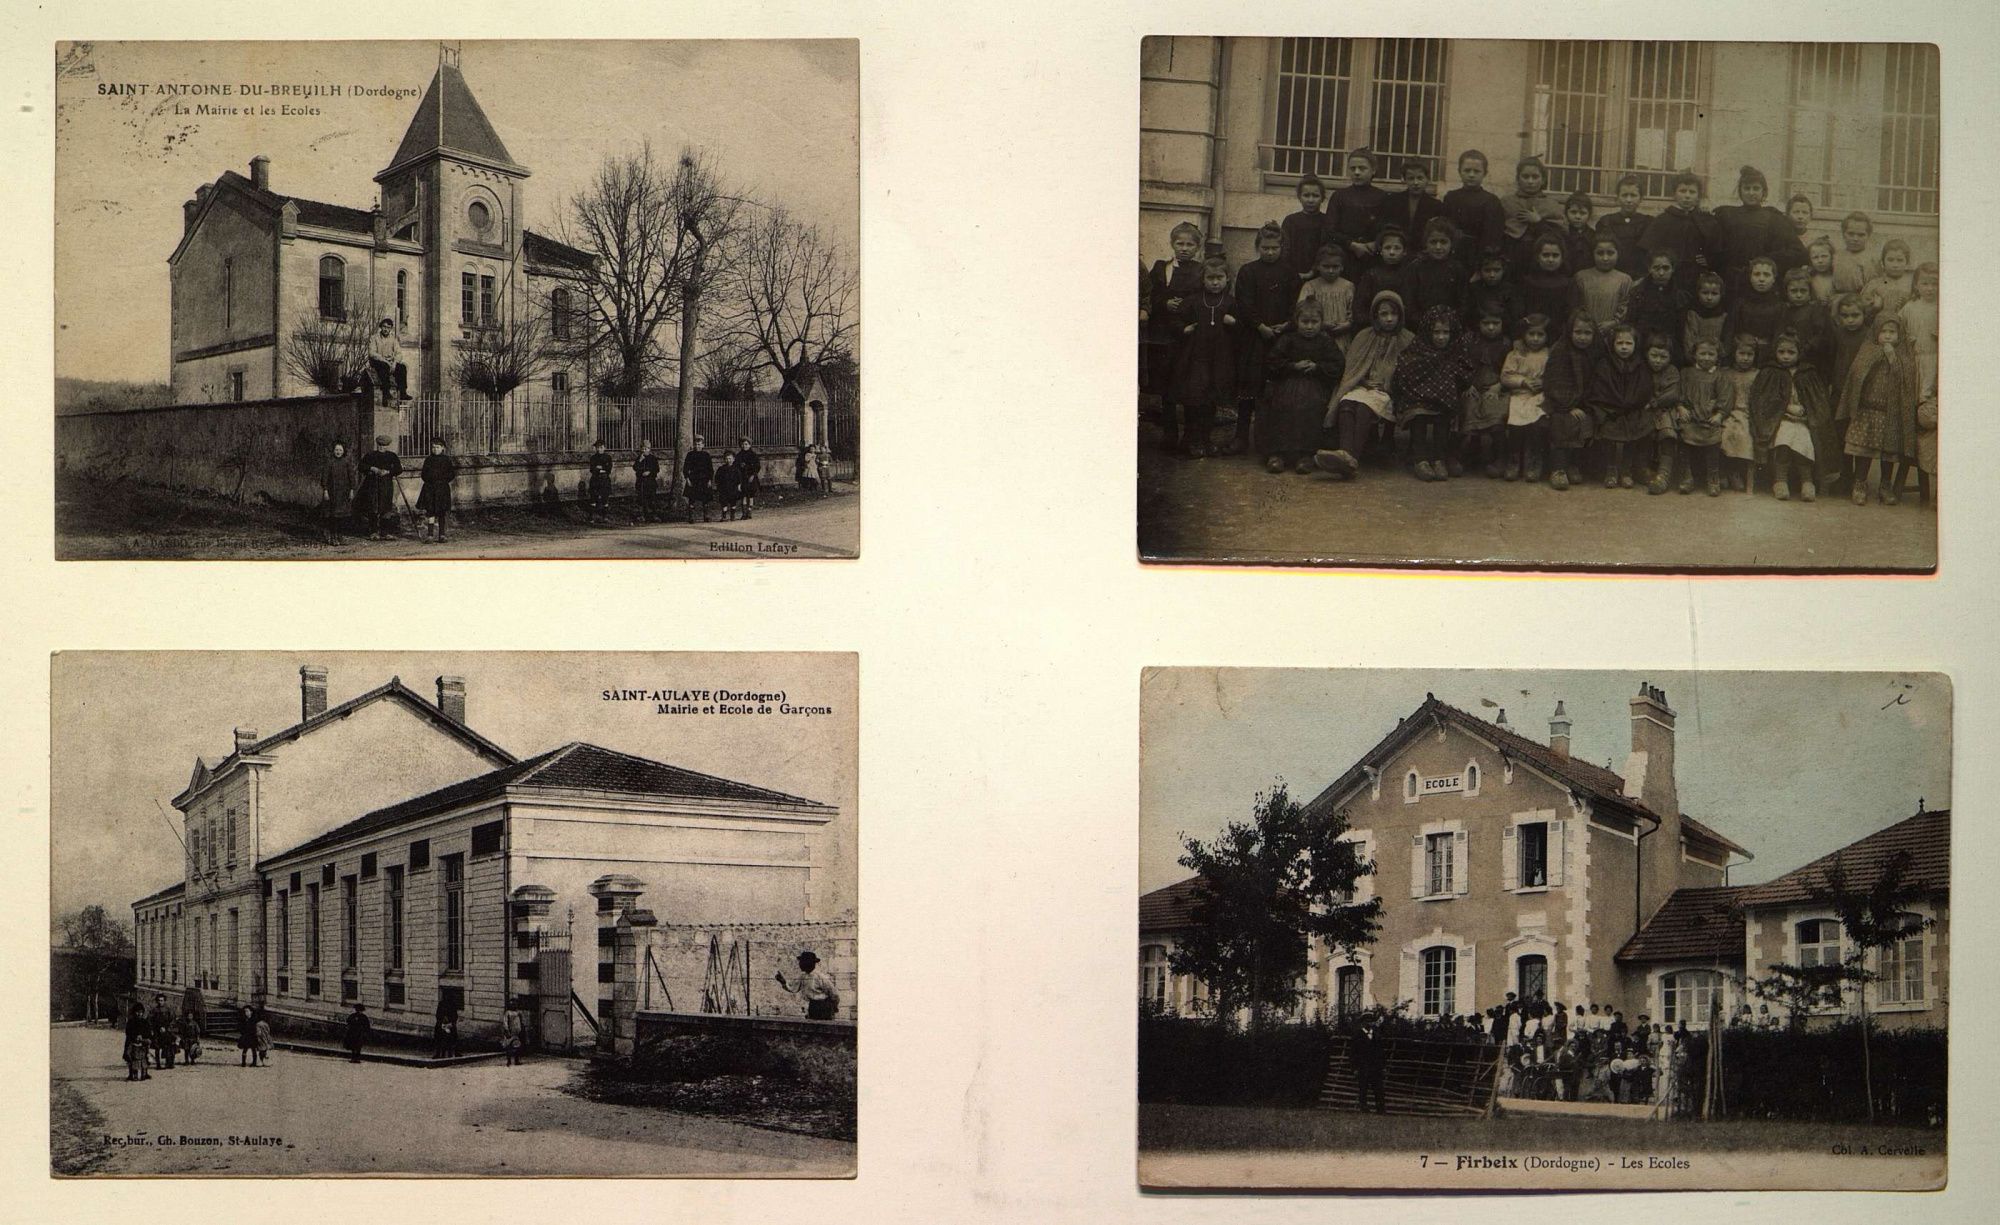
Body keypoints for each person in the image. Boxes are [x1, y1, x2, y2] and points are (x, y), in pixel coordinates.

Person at [1315, 291, 1413, 478]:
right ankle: (1345, 452)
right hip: (1362, 385)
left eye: (1394, 314)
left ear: (1400, 315)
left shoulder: (1407, 339)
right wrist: (1362, 381)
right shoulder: (1364, 336)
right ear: (1375, 316)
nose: (1389, 319)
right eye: (1384, 314)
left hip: (1388, 391)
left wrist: (1387, 384)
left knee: (1363, 406)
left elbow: (1409, 373)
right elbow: (1353, 368)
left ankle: (1351, 457)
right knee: (1347, 402)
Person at [1838, 315, 1920, 507]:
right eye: (1884, 332)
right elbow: (1857, 374)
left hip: (1890, 413)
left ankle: (1885, 486)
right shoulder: (1867, 350)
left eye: (1892, 332)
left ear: (1900, 335)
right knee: (1864, 452)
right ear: (1876, 332)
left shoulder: (1904, 355)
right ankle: (1859, 485)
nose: (1888, 336)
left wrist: (1892, 357)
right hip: (1868, 410)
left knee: (1888, 453)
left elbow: (1905, 379)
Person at [1234, 223, 1299, 456]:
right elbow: (1244, 303)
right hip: (1254, 338)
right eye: (1265, 248)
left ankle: (1272, 441)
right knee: (1249, 388)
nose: (1269, 252)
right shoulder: (1248, 271)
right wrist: (1260, 326)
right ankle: (1241, 437)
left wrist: (1287, 325)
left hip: (1281, 339)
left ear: (1282, 247)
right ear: (1257, 247)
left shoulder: (1289, 273)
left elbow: (1295, 305)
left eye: (1274, 248)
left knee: (1276, 390)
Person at [1169, 256, 1243, 458]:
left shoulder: (1230, 302)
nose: (1215, 282)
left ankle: (1205, 439)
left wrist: (1233, 322)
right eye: (1210, 278)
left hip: (1219, 360)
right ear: (1203, 279)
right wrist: (1184, 328)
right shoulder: (1193, 300)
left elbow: (1241, 331)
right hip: (1196, 359)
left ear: (1227, 279)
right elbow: (1176, 320)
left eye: (1220, 277)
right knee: (1194, 399)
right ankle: (1191, 440)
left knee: (1211, 400)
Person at [1260, 298, 1344, 474]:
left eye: (1315, 322)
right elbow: (1272, 361)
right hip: (1287, 383)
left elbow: (1337, 364)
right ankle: (1277, 454)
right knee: (1282, 405)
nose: (1309, 326)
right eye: (1305, 322)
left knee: (1311, 406)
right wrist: (1292, 366)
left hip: (1316, 384)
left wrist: (1317, 367)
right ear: (1296, 321)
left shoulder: (1325, 341)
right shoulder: (1288, 339)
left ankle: (1305, 455)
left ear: (1321, 322)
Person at [1754, 332, 1835, 504]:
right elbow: (1763, 401)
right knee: (1783, 439)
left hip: (1804, 420)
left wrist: (1807, 412)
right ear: (1775, 352)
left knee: (1804, 440)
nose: (1785, 356)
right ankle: (1780, 481)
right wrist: (1785, 408)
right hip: (1779, 420)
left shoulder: (1808, 373)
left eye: (1791, 352)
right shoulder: (1769, 372)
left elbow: (1818, 402)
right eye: (1781, 352)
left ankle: (1807, 481)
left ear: (1799, 353)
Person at [1393, 305, 1471, 481]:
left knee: (1443, 416)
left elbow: (1464, 374)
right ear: (1428, 332)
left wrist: (1450, 376)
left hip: (1444, 399)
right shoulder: (1418, 348)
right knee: (1418, 415)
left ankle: (1438, 458)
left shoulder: (1456, 350)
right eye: (1436, 332)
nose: (1441, 337)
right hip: (1418, 397)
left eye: (1445, 332)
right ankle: (1420, 459)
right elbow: (1405, 372)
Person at [1712, 165, 1805, 292]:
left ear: (1763, 192)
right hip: (1732, 283)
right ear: (1740, 191)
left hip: (1763, 284)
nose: (1751, 193)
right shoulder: (1726, 216)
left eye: (1756, 188)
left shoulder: (1775, 218)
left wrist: (1766, 260)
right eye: (1747, 188)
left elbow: (1798, 252)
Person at [1143, 221, 1207, 398]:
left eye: (1190, 244)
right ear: (1172, 244)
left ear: (1197, 247)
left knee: (1183, 369)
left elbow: (1203, 296)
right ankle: (1163, 411)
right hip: (1163, 328)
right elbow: (1149, 294)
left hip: (1186, 329)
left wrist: (1186, 306)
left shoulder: (1200, 270)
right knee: (1162, 371)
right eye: (1180, 244)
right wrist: (1165, 303)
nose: (1184, 248)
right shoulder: (1162, 267)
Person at [1542, 313, 1601, 490]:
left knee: (1591, 419)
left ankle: (1575, 464)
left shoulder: (1596, 352)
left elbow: (1597, 381)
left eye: (1588, 333)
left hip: (1585, 401)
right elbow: (1554, 382)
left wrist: (1586, 405)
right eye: (1578, 332)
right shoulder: (1560, 351)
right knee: (1563, 421)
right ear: (1569, 332)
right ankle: (1558, 468)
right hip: (1560, 401)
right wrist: (1568, 406)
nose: (1582, 337)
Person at [1641, 171, 1715, 297]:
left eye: (1692, 192)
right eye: (1682, 191)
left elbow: (1714, 247)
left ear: (1698, 196)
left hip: (1696, 276)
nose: (1687, 196)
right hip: (1668, 276)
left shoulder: (1705, 220)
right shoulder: (1663, 220)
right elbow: (1649, 250)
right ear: (1674, 193)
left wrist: (1707, 259)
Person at [1459, 309, 1513, 477]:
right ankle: (1470, 451)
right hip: (1474, 385)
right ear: (1478, 324)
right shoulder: (1470, 341)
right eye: (1486, 323)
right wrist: (1469, 384)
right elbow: (1462, 365)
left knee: (1495, 412)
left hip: (1498, 387)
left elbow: (1510, 370)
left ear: (1502, 324)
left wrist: (1499, 386)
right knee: (1469, 406)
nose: (1491, 327)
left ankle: (1500, 457)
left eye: (1495, 323)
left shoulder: (1506, 344)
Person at [1675, 338, 1729, 497]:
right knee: (1683, 436)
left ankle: (1713, 477)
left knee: (1713, 441)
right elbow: (1679, 392)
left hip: (1710, 418)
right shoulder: (1686, 373)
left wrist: (1719, 414)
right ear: (1694, 355)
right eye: (1702, 353)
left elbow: (1725, 397)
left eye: (1711, 354)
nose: (1706, 358)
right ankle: (1687, 476)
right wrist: (1680, 407)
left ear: (1717, 356)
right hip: (1690, 417)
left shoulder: (1720, 376)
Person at [1497, 155, 1567, 275]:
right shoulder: (1506, 202)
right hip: (1512, 257)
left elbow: (1560, 236)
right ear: (1518, 179)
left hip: (1541, 262)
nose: (1530, 181)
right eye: (1525, 177)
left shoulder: (1551, 205)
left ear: (1543, 180)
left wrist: (1539, 222)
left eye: (1535, 177)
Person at [1328, 148, 1392, 274]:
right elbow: (1329, 230)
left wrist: (1376, 243)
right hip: (1344, 256)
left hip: (1373, 255)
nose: (1357, 172)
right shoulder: (1339, 196)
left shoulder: (1383, 197)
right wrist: (1352, 244)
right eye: (1353, 168)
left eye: (1362, 168)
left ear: (1373, 170)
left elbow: (1388, 228)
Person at [1442, 149, 1506, 268]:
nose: (1471, 175)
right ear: (1459, 172)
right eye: (1467, 170)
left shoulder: (1491, 201)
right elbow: (1444, 228)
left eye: (1476, 171)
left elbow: (1493, 236)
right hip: (1453, 255)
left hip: (1479, 256)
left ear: (1485, 173)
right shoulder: (1451, 198)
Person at [1627, 252, 1688, 365]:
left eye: (1666, 268)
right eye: (1656, 268)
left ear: (1673, 269)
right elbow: (1631, 323)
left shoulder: (1679, 296)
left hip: (1668, 348)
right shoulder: (1638, 293)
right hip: (1642, 346)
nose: (1661, 273)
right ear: (1649, 268)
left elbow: (1680, 330)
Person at [1719, 336, 1763, 492]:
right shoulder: (1725, 373)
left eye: (1749, 355)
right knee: (1725, 433)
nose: (1745, 358)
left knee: (1745, 435)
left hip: (1749, 414)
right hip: (1728, 412)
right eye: (1741, 354)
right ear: (1734, 354)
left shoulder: (1758, 374)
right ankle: (1725, 471)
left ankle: (1735, 472)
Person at [1642, 334, 1683, 495]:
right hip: (1644, 410)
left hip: (1665, 409)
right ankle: (1643, 470)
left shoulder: (1672, 371)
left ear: (1670, 357)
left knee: (1668, 435)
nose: (1658, 361)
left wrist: (1655, 402)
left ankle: (1664, 474)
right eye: (1654, 356)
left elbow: (1673, 393)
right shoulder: (1641, 368)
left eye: (1663, 357)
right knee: (1643, 432)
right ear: (1647, 354)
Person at [1724, 256, 1787, 359]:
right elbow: (1729, 332)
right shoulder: (1740, 303)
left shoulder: (1780, 306)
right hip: (1742, 356)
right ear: (1750, 277)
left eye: (1766, 275)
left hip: (1767, 356)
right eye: (1757, 274)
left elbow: (1779, 337)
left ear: (1774, 278)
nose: (1761, 279)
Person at [1407, 217, 1468, 322]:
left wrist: (1451, 321)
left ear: (1451, 244)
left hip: (1449, 325)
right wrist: (1423, 321)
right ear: (1426, 243)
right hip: (1422, 323)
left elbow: (1464, 302)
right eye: (1433, 242)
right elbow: (1410, 302)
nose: (1438, 247)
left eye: (1443, 242)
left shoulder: (1457, 269)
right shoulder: (1416, 268)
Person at [1298, 246, 1355, 350]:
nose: (1331, 270)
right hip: (1317, 335)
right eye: (1326, 266)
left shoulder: (1348, 286)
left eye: (1335, 266)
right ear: (1318, 266)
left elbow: (1353, 309)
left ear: (1342, 267)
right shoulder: (1310, 286)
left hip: (1342, 335)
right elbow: (1301, 311)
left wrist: (1347, 324)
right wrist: (1321, 324)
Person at [1572, 235, 1634, 332]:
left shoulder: (1625, 280)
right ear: (1592, 254)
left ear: (1618, 253)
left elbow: (1626, 304)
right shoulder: (1581, 277)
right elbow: (1575, 306)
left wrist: (1614, 323)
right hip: (1585, 331)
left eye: (1610, 253)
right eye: (1600, 253)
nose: (1605, 258)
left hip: (1613, 332)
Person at [1597, 175, 1652, 279]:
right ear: (1617, 197)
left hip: (1640, 277)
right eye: (1624, 195)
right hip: (1612, 276)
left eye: (1633, 195)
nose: (1629, 200)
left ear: (1641, 198)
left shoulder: (1648, 223)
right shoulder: (1606, 222)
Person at [1279, 174, 1329, 284]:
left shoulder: (1327, 221)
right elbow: (1285, 250)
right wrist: (1292, 273)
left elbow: (1325, 249)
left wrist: (1313, 271)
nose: (1311, 200)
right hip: (1292, 275)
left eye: (1315, 196)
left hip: (1320, 275)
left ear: (1322, 198)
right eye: (1306, 195)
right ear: (1299, 197)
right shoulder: (1290, 221)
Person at [1517, 235, 1573, 330]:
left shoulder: (1568, 284)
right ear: (1537, 257)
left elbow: (1568, 314)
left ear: (1562, 258)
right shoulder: (1527, 282)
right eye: (1546, 255)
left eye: (1555, 255)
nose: (1550, 260)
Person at [1681, 271, 1729, 374]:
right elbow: (1689, 340)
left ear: (1721, 294)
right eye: (1705, 293)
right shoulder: (1693, 314)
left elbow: (1726, 341)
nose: (1709, 298)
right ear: (1698, 293)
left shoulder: (1724, 316)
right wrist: (1696, 361)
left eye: (1714, 293)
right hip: (1696, 363)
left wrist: (1718, 360)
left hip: (1717, 364)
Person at [1461, 252, 1519, 335]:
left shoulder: (1510, 290)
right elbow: (1467, 314)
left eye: (1497, 270)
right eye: (1487, 270)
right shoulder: (1473, 289)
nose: (1492, 275)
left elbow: (1514, 316)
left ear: (1503, 270)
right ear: (1480, 271)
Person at [356, 436, 402, 540]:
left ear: (387, 446)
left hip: (386, 485)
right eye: (380, 445)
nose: (382, 447)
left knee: (385, 508)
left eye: (384, 446)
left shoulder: (392, 456)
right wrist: (372, 468)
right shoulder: (370, 455)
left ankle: (385, 532)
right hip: (372, 484)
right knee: (373, 507)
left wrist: (388, 472)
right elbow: (360, 466)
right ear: (377, 445)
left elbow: (399, 469)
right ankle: (373, 532)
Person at [1860, 239, 1916, 323]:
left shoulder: (1912, 285)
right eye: (1890, 260)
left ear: (1907, 263)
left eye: (1900, 260)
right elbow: (1862, 312)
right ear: (1882, 262)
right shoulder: (1874, 285)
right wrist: (1875, 308)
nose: (1895, 265)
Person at [775, 950, 841, 1020]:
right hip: (812, 1006)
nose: (800, 964)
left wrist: (833, 1007)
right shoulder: (803, 976)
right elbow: (793, 988)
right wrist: (783, 982)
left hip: (824, 1008)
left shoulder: (821, 977)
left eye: (802, 962)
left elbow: (834, 994)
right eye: (800, 962)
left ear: (810, 964)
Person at [365, 317, 413, 405]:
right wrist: (385, 361)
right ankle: (386, 392)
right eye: (384, 327)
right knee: (384, 367)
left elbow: (399, 353)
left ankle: (403, 392)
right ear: (381, 327)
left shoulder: (393, 339)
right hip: (378, 362)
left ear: (391, 328)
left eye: (388, 327)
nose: (386, 329)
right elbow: (372, 353)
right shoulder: (374, 338)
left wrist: (394, 363)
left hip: (391, 362)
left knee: (402, 367)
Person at [416, 439, 456, 543]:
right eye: (433, 447)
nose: (435, 449)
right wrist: (431, 479)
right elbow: (423, 474)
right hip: (430, 489)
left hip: (442, 489)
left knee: (441, 511)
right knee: (431, 511)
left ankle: (442, 535)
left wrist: (442, 480)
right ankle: (430, 535)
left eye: (437, 447)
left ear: (443, 448)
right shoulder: (428, 460)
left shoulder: (446, 460)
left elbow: (451, 474)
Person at [1831, 211, 1877, 296]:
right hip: (1836, 300)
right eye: (1851, 234)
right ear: (1843, 234)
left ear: (1868, 236)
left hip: (1858, 302)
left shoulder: (1870, 260)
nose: (1855, 239)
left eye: (1861, 235)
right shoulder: (1836, 256)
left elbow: (1872, 287)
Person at [1348, 1017, 1389, 1114]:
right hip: (1363, 1067)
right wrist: (1354, 1068)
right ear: (1362, 1023)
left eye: (1370, 1021)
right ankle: (1364, 1108)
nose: (1369, 1023)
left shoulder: (1376, 1036)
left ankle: (1380, 1109)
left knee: (1378, 1089)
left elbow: (1381, 1053)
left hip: (1376, 1068)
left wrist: (1383, 1066)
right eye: (1366, 1021)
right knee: (1363, 1088)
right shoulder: (1357, 1036)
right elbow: (1353, 1054)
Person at [319, 440, 356, 543]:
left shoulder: (347, 462)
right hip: (333, 493)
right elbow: (324, 478)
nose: (338, 452)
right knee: (333, 515)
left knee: (343, 516)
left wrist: (352, 490)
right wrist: (325, 490)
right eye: (336, 450)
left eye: (340, 450)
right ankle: (333, 536)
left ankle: (340, 536)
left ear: (343, 451)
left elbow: (351, 477)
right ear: (333, 451)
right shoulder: (329, 462)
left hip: (344, 493)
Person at [1558, 191, 1598, 283]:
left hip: (1588, 280)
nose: (1577, 216)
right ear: (1566, 213)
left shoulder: (1594, 236)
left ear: (1589, 215)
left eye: (1582, 213)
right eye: (1573, 212)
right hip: (1565, 278)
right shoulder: (1562, 234)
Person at [585, 440, 614, 525]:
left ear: (604, 448)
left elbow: (609, 469)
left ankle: (605, 517)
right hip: (595, 480)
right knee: (593, 498)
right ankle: (591, 517)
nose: (599, 449)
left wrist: (600, 467)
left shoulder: (608, 457)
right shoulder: (593, 458)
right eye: (597, 447)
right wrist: (601, 469)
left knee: (605, 498)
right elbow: (592, 469)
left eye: (601, 447)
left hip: (605, 480)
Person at [632, 440, 662, 523]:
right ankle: (643, 515)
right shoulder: (639, 458)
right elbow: (635, 468)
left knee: (652, 499)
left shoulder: (653, 458)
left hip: (650, 482)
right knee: (642, 499)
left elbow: (657, 469)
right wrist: (640, 461)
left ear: (649, 449)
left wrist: (650, 472)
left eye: (647, 449)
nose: (644, 450)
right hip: (641, 482)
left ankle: (653, 515)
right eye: (643, 448)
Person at [123, 998, 151, 1081]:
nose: (139, 1014)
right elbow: (128, 1032)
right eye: (137, 1012)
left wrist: (143, 1036)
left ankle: (145, 1073)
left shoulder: (145, 1022)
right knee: (131, 1056)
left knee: (144, 1057)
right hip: (132, 1041)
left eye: (141, 1012)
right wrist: (135, 1036)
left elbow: (148, 1032)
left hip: (143, 1042)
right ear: (134, 1012)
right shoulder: (131, 1022)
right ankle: (131, 1074)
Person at [735, 437, 762, 520]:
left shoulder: (753, 455)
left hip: (751, 478)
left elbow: (757, 466)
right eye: (742, 444)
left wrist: (753, 475)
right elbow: (737, 467)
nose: (744, 446)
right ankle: (744, 513)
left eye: (746, 444)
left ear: (750, 445)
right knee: (743, 495)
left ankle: (749, 512)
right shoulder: (739, 455)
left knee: (750, 495)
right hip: (742, 478)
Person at [715, 449, 744, 521]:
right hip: (724, 488)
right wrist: (718, 486)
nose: (728, 460)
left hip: (733, 488)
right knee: (724, 502)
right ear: (724, 459)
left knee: (733, 501)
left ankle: (732, 515)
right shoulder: (721, 469)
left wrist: (739, 486)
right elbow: (717, 478)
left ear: (733, 459)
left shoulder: (736, 469)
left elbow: (739, 478)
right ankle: (724, 515)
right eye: (727, 459)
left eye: (730, 458)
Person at [150, 994, 175, 1070]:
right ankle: (158, 1064)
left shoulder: (168, 1010)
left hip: (166, 1031)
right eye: (159, 1000)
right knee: (157, 1048)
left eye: (162, 1000)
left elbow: (172, 1020)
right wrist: (154, 1029)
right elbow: (150, 1021)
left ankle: (169, 1063)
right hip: (157, 1031)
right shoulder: (154, 1010)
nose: (160, 1002)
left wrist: (167, 1028)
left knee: (168, 1046)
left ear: (164, 1001)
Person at [502, 999, 527, 1066]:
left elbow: (522, 1022)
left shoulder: (519, 1013)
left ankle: (517, 1060)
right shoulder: (507, 1013)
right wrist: (506, 1030)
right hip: (510, 1032)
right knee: (509, 1046)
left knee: (517, 1046)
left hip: (517, 1032)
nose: (513, 1005)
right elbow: (505, 1022)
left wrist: (522, 1029)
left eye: (515, 1004)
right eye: (512, 1004)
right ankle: (509, 1061)